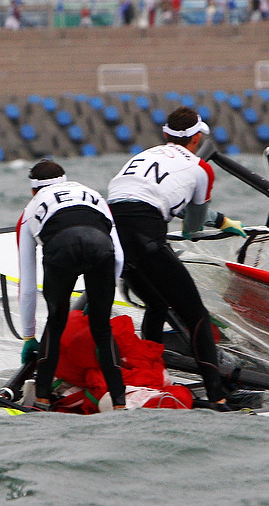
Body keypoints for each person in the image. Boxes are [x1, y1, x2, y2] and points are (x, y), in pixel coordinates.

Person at [107, 106, 247, 408]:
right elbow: (191, 229)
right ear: (196, 138)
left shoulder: (143, 155)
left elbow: (149, 195)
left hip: (110, 233)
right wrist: (219, 221)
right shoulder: (201, 168)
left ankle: (151, 374)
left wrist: (220, 219)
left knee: (157, 304)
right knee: (195, 314)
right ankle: (217, 396)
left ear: (166, 135)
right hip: (145, 236)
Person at [16, 160, 127, 412]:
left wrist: (28, 335)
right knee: (102, 327)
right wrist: (102, 298)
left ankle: (42, 399)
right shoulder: (94, 195)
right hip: (100, 246)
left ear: (33, 190)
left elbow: (28, 282)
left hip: (60, 247)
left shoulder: (30, 210)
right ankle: (119, 401)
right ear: (65, 181)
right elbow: (119, 255)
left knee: (56, 323)